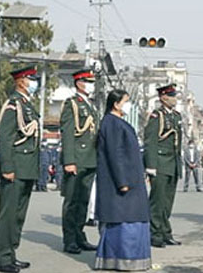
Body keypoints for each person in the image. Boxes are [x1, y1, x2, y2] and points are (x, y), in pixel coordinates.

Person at [92, 89, 151, 271]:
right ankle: (119, 259)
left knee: (134, 217)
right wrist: (122, 181)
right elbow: (115, 154)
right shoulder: (111, 123)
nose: (128, 105)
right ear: (116, 104)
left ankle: (132, 260)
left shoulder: (118, 122)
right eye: (126, 101)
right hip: (122, 182)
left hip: (132, 179)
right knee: (124, 218)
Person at [0, 66, 41, 273]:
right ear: (21, 81)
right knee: (8, 214)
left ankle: (11, 253)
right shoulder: (13, 105)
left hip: (27, 167)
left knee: (19, 215)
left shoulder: (27, 104)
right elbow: (6, 138)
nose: (35, 82)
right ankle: (1, 258)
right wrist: (8, 167)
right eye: (32, 79)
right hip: (16, 167)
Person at [60, 69, 99, 254]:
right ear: (79, 83)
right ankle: (69, 240)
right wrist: (69, 160)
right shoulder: (72, 104)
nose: (92, 85)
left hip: (90, 159)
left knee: (83, 201)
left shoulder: (91, 105)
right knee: (72, 202)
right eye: (89, 81)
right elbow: (68, 134)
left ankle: (79, 235)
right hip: (76, 159)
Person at [143, 83, 182, 248]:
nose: (175, 99)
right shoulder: (156, 116)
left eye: (175, 95)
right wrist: (150, 165)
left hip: (172, 163)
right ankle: (154, 233)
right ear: (163, 97)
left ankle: (166, 232)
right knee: (157, 201)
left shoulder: (176, 116)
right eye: (172, 96)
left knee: (167, 201)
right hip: (159, 163)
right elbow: (150, 141)